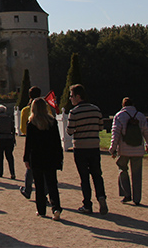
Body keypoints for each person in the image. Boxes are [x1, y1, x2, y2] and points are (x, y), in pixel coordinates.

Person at [67, 83, 108, 215]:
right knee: (97, 175)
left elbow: (69, 131)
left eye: (72, 96)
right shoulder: (96, 109)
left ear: (78, 96)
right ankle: (101, 198)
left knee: (84, 177)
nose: (70, 98)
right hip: (94, 146)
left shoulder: (74, 112)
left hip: (80, 147)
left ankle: (87, 204)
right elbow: (100, 127)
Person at [24, 98, 64, 220]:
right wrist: (60, 156)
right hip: (50, 156)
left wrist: (26, 158)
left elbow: (29, 144)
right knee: (52, 184)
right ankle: (56, 208)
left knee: (39, 185)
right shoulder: (52, 122)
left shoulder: (31, 124)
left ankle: (41, 209)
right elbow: (57, 142)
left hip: (36, 157)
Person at [109, 97, 148, 206]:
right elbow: (146, 132)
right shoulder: (140, 116)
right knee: (137, 174)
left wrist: (113, 148)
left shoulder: (119, 116)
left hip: (124, 149)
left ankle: (126, 194)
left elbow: (116, 134)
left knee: (122, 169)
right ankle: (137, 198)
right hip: (138, 149)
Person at [18, 86, 42, 199]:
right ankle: (45, 192)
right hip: (45, 143)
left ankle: (28, 190)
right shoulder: (46, 108)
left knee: (30, 168)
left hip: (32, 143)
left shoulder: (25, 110)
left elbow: (23, 129)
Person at [0, 104, 16, 178]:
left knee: (0, 156)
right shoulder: (9, 119)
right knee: (10, 156)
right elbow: (13, 129)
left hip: (0, 138)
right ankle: (12, 173)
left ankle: (0, 172)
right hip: (9, 138)